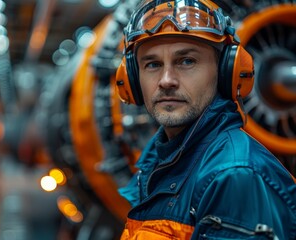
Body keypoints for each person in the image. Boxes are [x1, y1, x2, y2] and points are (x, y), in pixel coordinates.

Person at [114, 0, 296, 239]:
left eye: (187, 61)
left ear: (226, 73)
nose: (166, 80)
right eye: (153, 64)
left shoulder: (235, 175)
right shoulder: (163, 162)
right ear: (132, 81)